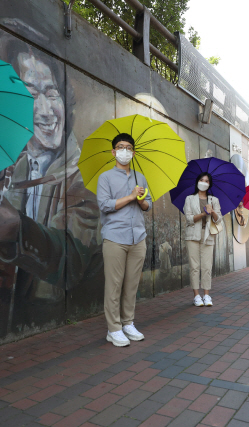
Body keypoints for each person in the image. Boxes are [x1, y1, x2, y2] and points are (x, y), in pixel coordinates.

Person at [0, 37, 103, 344]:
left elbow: (72, 258)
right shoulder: (2, 168)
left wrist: (17, 231)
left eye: (52, 94)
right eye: (30, 94)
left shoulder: (85, 176)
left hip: (49, 335)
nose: (46, 109)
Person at [97, 133, 152, 346]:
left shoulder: (141, 177)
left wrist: (140, 200)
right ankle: (114, 328)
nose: (124, 151)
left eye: (128, 148)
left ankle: (128, 322)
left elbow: (148, 205)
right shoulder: (106, 178)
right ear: (113, 152)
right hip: (115, 237)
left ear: (133, 152)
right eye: (120, 147)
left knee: (131, 284)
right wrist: (130, 196)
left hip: (138, 237)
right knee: (114, 284)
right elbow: (104, 205)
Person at [183, 173, 223, 307]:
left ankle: (206, 295)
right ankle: (196, 296)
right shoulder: (189, 198)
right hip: (193, 234)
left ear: (209, 184)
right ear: (197, 182)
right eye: (201, 180)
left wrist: (212, 212)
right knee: (195, 266)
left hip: (208, 234)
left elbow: (219, 219)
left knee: (207, 266)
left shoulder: (214, 200)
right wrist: (203, 213)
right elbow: (188, 219)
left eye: (207, 181)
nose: (204, 183)